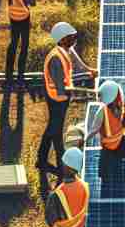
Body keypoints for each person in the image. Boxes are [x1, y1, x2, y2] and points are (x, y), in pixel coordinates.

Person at [39, 22, 94, 176]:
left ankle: (41, 161)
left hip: (60, 97)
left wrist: (90, 71)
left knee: (52, 129)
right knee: (56, 133)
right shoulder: (56, 59)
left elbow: (75, 60)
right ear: (62, 40)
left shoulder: (64, 50)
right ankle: (61, 167)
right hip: (57, 98)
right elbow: (61, 88)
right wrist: (87, 92)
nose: (74, 39)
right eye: (71, 37)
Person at [85, 79, 125, 168]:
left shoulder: (102, 111)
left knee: (105, 168)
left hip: (107, 145)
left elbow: (94, 129)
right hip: (119, 141)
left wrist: (85, 139)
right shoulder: (121, 106)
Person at [4, 0, 36, 91]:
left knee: (13, 45)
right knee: (24, 46)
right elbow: (33, 3)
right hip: (23, 18)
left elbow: (10, 0)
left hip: (13, 18)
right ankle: (20, 78)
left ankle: (8, 77)